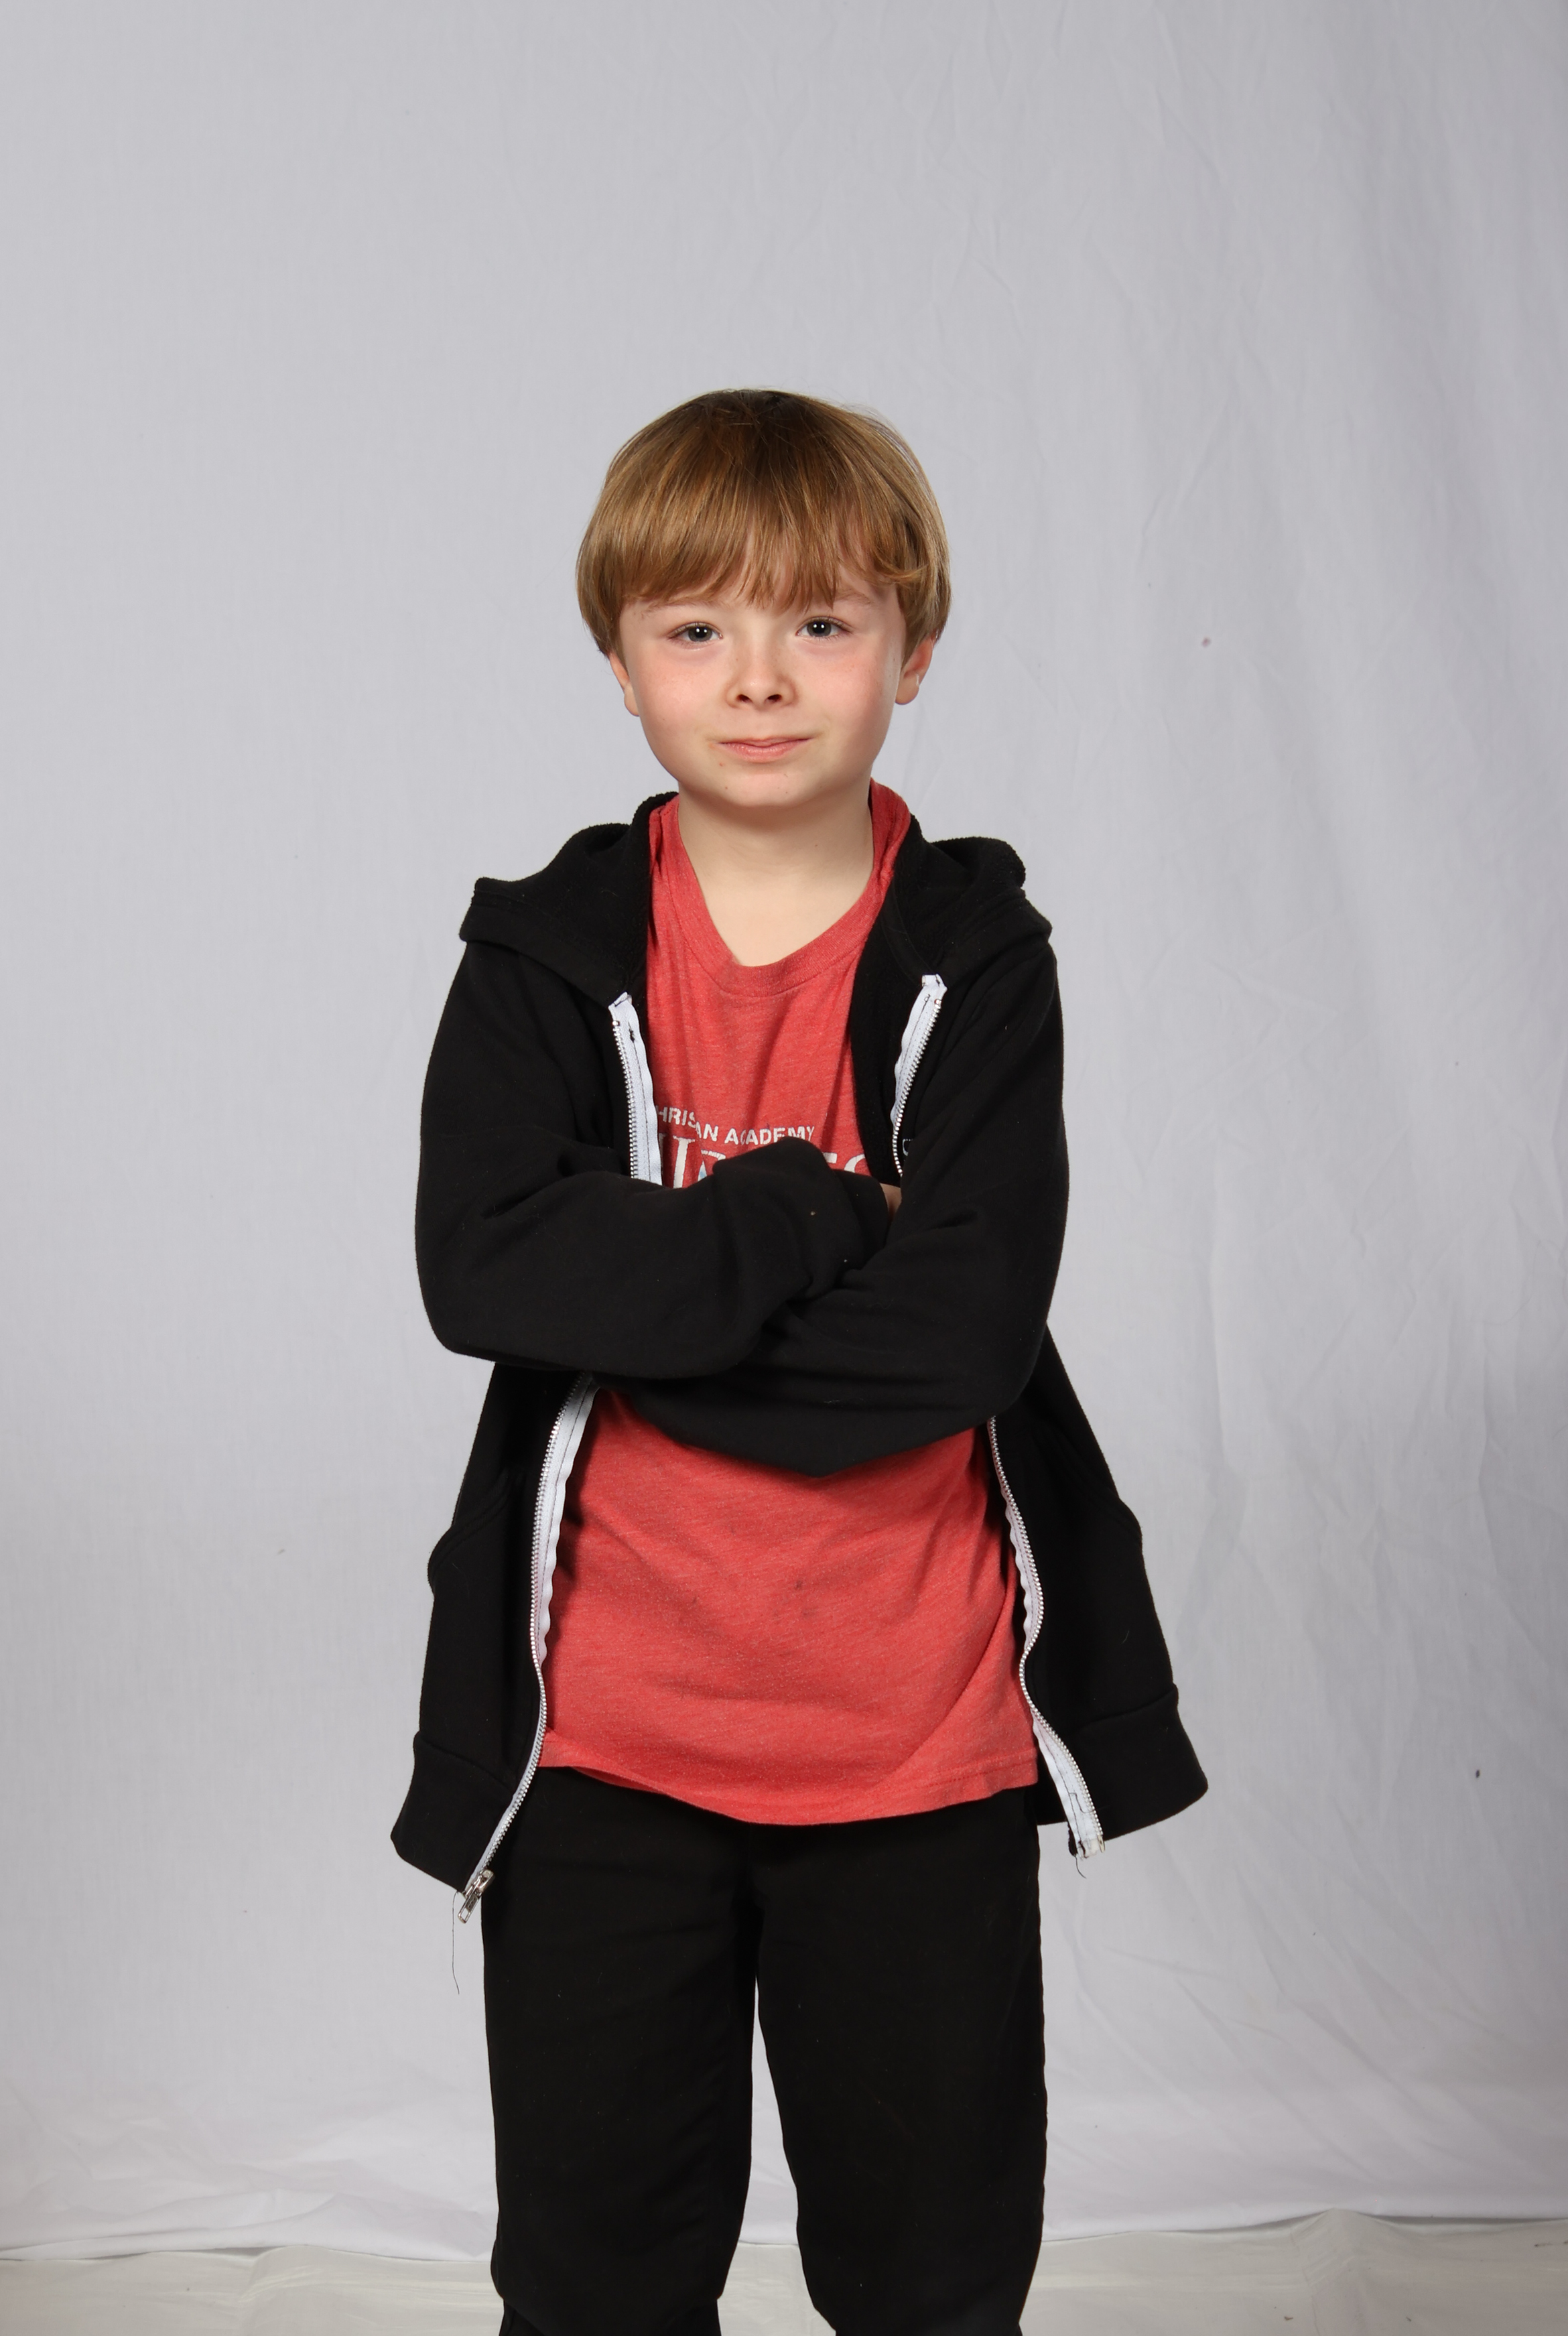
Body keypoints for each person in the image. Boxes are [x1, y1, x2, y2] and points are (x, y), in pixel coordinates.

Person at [392, 389, 1205, 2336]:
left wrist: (643, 1307)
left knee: (931, 2283)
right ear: (621, 664)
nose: (757, 678)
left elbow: (961, 1342)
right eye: (697, 628)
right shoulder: (544, 953)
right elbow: (483, 1268)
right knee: (593, 2284)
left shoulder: (976, 958)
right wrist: (813, 1213)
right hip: (600, 1748)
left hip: (915, 1750)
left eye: (819, 623)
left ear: (911, 652)